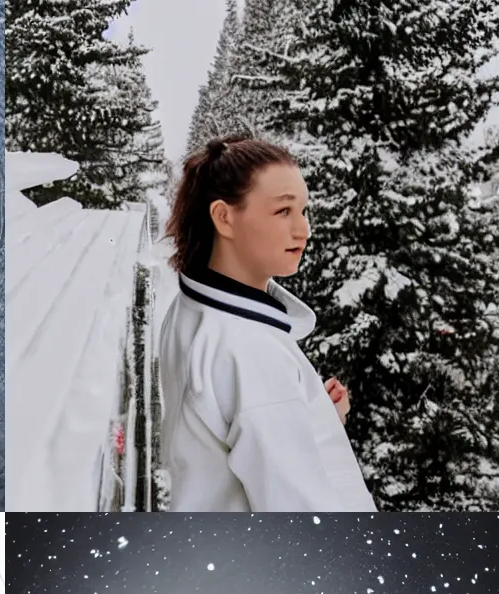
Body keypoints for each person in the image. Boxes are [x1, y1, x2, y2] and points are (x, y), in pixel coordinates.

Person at [159, 135, 376, 511]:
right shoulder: (249, 349)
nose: (303, 230)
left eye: (304, 211)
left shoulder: (191, 308)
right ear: (224, 217)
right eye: (283, 212)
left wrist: (307, 415)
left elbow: (235, 431)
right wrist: (283, 405)